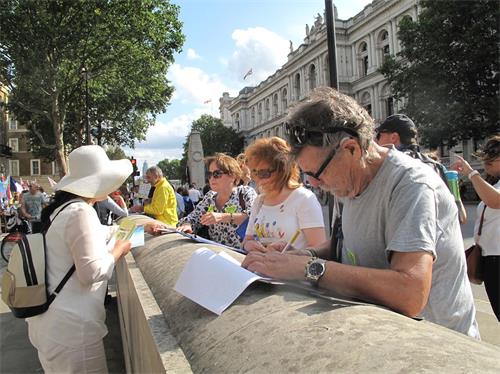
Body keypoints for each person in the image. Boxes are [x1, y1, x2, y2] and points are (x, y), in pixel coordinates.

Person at [243, 87, 479, 338]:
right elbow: (341, 243)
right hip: (383, 334)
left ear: (351, 149)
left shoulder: (411, 184)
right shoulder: (346, 180)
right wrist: (303, 254)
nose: (312, 183)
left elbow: (410, 292)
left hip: (436, 344)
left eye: (315, 173)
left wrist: (308, 268)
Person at [25, 145, 164, 373]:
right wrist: (121, 248)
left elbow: (104, 233)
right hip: (72, 331)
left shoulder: (64, 209)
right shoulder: (80, 212)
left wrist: (143, 230)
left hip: (52, 325)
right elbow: (92, 272)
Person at [375, 113, 467, 223]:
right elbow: (460, 217)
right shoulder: (438, 167)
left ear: (394, 137)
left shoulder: (389, 166)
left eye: (379, 136)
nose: (376, 142)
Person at [243, 137, 326, 252]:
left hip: (292, 269)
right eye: (254, 172)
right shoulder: (259, 201)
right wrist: (249, 245)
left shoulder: (304, 198)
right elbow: (247, 240)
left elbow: (319, 249)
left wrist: (290, 252)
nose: (258, 179)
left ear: (282, 169)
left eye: (264, 173)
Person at [451, 135, 500, 321]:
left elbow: (495, 201)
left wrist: (472, 173)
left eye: (492, 155)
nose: (486, 160)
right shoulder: (494, 183)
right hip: (490, 258)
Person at [177, 153, 257, 249]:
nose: (211, 178)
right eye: (209, 174)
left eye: (217, 174)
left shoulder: (245, 192)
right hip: (216, 254)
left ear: (233, 176)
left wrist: (222, 217)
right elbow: (192, 218)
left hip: (242, 255)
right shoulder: (210, 197)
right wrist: (187, 225)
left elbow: (254, 218)